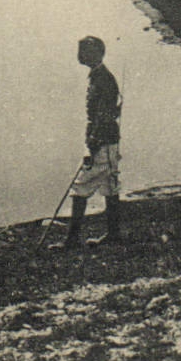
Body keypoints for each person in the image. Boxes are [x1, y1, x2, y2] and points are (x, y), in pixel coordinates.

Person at [59, 35, 123, 248]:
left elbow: (103, 115)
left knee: (82, 186)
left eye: (85, 51)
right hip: (108, 139)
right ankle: (113, 235)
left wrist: (92, 143)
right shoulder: (100, 77)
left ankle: (72, 239)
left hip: (102, 141)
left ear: (98, 54)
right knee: (109, 185)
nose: (81, 55)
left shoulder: (102, 79)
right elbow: (108, 112)